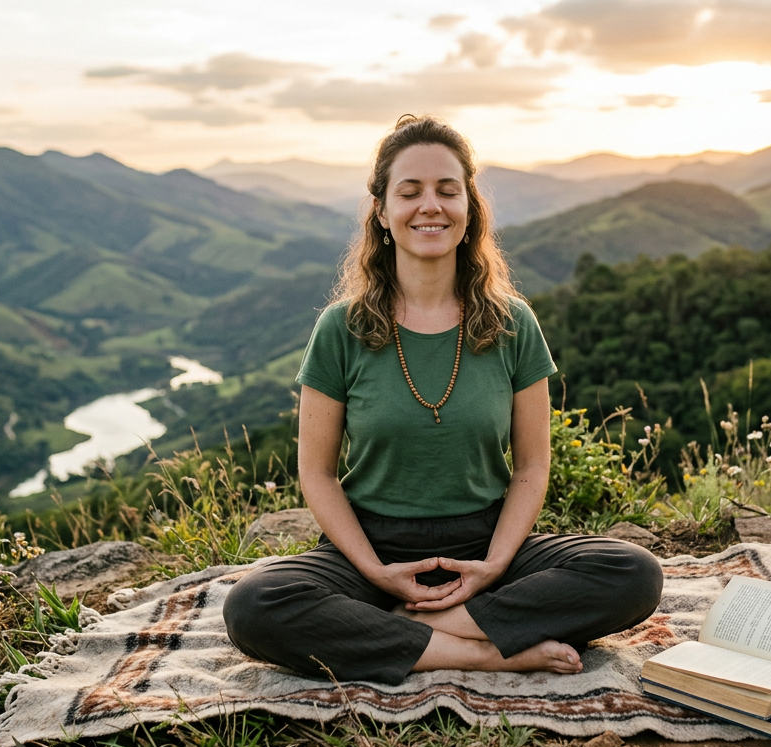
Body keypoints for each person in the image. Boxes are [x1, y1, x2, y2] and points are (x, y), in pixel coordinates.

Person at [223, 115, 663, 686]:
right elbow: (318, 472)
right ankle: (481, 649)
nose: (429, 206)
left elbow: (532, 466)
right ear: (381, 212)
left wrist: (494, 567)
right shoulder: (341, 328)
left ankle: (428, 627)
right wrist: (376, 574)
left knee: (632, 573)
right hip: (372, 544)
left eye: (447, 191)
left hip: (485, 542)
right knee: (254, 605)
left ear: (469, 207)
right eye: (409, 192)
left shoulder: (513, 324)